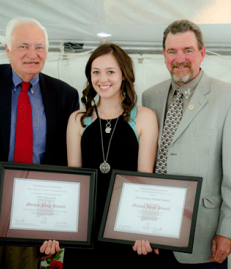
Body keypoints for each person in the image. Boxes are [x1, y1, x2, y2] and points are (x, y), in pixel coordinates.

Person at [0, 17, 79, 269]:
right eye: (23, 46)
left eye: (40, 47)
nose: (33, 54)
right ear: (8, 49)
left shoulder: (65, 95)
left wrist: (57, 226)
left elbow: (66, 165)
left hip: (32, 221)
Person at [142, 19, 231, 268]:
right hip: (154, 231)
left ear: (202, 53)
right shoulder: (150, 96)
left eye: (188, 50)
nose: (179, 58)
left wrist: (228, 232)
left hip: (203, 235)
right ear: (164, 55)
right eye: (172, 51)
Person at [40, 43, 159, 268]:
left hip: (126, 229)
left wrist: (144, 228)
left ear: (124, 75)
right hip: (86, 229)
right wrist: (56, 227)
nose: (102, 79)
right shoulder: (78, 119)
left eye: (110, 72)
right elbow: (74, 183)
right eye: (96, 72)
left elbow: (145, 180)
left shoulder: (144, 117)